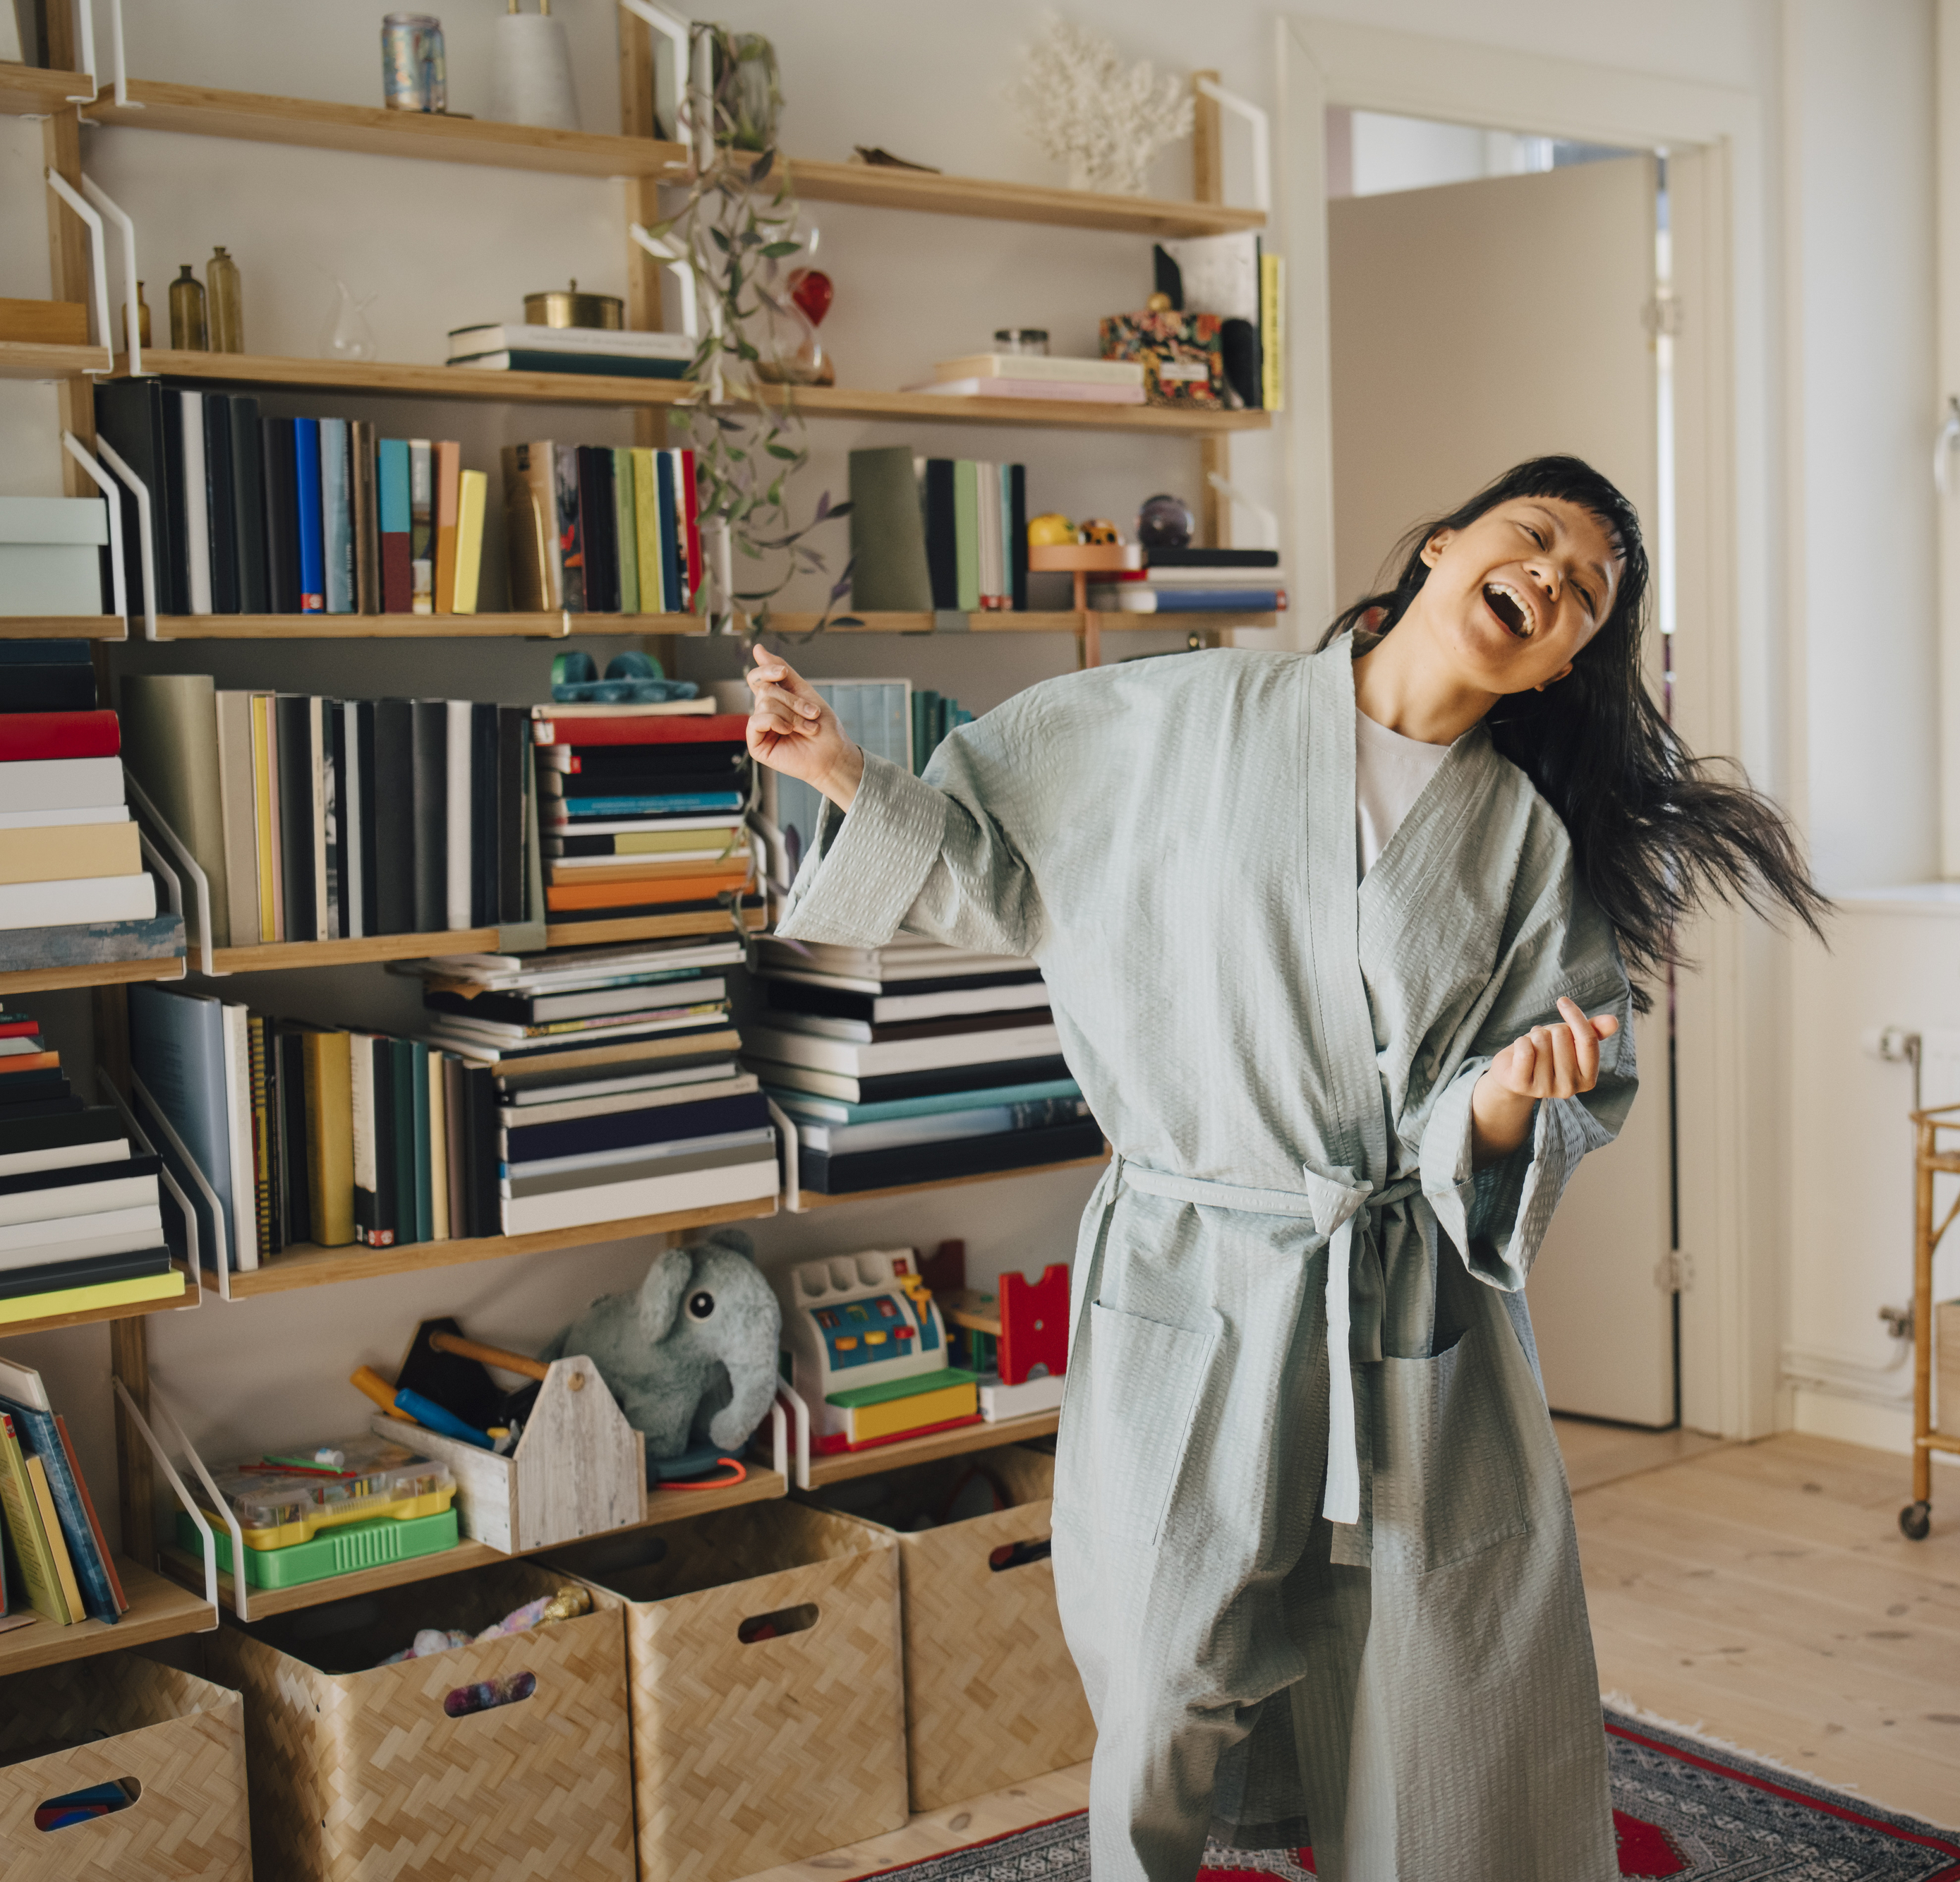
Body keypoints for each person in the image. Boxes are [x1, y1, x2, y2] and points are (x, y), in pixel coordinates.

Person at [746, 454, 1827, 1881]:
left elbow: (1545, 1090)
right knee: (1161, 1662)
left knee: (1430, 1669)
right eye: (1537, 539)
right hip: (1191, 1266)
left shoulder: (1521, 845)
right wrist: (835, 770)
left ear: (1568, 659)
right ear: (1442, 543)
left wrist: (1504, 1099)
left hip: (1405, 1293)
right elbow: (1000, 863)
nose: (1555, 579)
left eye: (1588, 594)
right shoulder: (1184, 714)